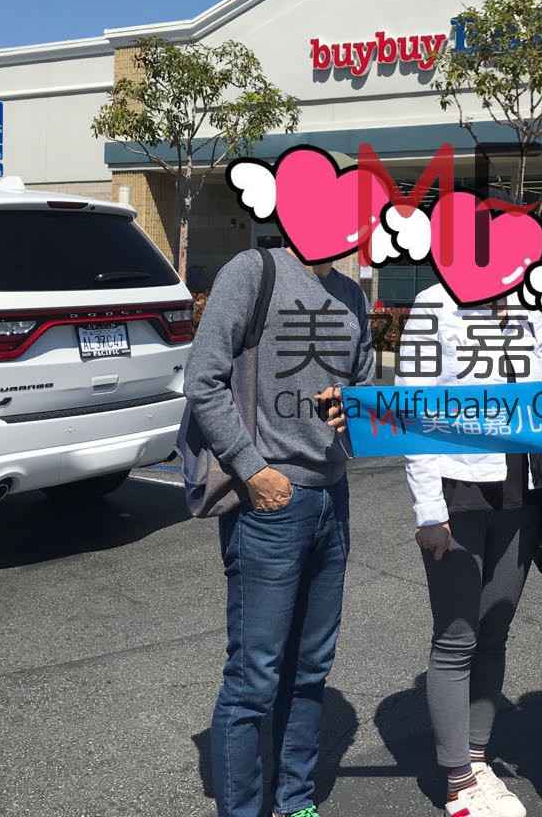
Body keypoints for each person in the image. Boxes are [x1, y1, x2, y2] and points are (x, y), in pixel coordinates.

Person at [186, 246, 373, 817]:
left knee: (311, 669)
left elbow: (365, 386)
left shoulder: (352, 294)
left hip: (331, 496)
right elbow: (203, 379)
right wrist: (253, 469)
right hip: (270, 503)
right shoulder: (253, 271)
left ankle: (295, 802)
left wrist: (351, 407)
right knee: (254, 677)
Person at [400, 282, 542, 817]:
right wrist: (429, 511)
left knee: (495, 627)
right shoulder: (434, 304)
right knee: (456, 635)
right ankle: (457, 781)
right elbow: (413, 407)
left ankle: (477, 759)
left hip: (522, 490)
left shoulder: (531, 306)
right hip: (457, 490)